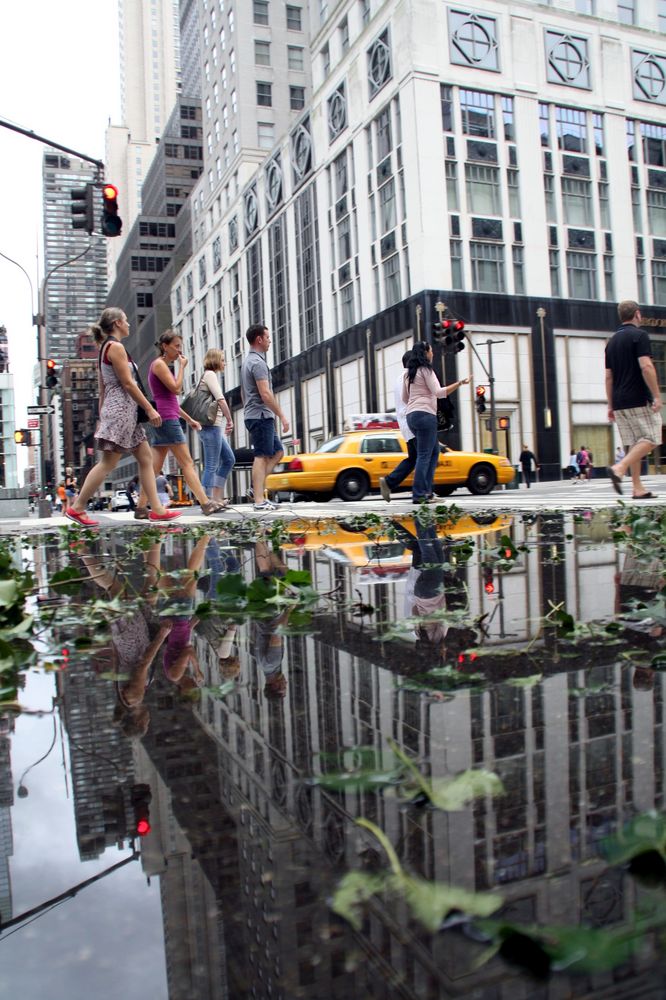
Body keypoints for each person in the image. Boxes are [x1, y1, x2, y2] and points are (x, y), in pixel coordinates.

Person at [65, 307, 181, 527]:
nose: (129, 324)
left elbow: (103, 389)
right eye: (126, 320)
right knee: (108, 463)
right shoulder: (115, 347)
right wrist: (149, 408)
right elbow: (128, 383)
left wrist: (103, 415)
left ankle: (156, 509)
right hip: (121, 411)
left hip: (123, 413)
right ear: (117, 323)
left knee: (146, 459)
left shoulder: (105, 349)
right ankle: (78, 507)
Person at [135, 330, 227, 518]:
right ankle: (206, 503)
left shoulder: (161, 366)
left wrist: (189, 420)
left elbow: (170, 401)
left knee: (153, 468)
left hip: (165, 418)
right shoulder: (159, 365)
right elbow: (176, 390)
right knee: (187, 463)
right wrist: (183, 367)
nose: (179, 350)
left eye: (180, 346)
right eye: (176, 346)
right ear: (164, 346)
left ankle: (141, 507)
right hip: (167, 420)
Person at [605, 300, 663, 499]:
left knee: (634, 442)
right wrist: (656, 395)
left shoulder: (611, 342)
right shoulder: (640, 336)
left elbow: (608, 376)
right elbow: (646, 366)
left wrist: (611, 405)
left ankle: (637, 488)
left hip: (619, 401)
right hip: (637, 397)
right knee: (652, 437)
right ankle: (619, 467)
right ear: (637, 314)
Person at [401, 341, 469, 504]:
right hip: (425, 415)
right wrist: (460, 383)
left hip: (411, 416)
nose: (433, 353)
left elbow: (405, 398)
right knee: (424, 455)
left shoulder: (408, 373)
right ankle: (419, 494)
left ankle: (428, 492)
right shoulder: (426, 370)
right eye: (431, 350)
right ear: (425, 353)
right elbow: (439, 392)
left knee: (433, 452)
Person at [240, 324, 289, 512]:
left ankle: (256, 489)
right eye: (267, 337)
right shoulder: (257, 363)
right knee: (261, 456)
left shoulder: (248, 362)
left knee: (277, 452)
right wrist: (282, 416)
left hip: (257, 415)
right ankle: (259, 500)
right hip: (260, 415)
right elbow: (266, 394)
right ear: (259, 339)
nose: (270, 341)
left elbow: (245, 394)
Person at [198, 348, 235, 506]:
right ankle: (207, 501)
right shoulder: (210, 375)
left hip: (213, 428)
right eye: (222, 359)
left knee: (228, 459)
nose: (224, 362)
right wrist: (229, 419)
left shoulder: (208, 375)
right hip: (210, 427)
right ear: (215, 360)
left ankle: (217, 497)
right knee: (211, 464)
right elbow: (220, 399)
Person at [379, 350, 416, 503]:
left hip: (406, 425)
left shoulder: (399, 378)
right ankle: (423, 491)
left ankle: (389, 482)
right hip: (414, 423)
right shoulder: (411, 377)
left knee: (414, 458)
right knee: (426, 456)